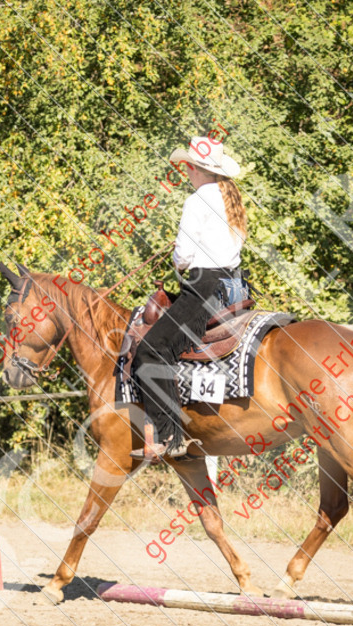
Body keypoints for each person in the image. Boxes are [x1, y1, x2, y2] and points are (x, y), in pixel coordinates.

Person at [131, 136, 247, 460]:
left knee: (150, 350)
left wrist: (179, 262)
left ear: (196, 169)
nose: (187, 172)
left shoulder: (196, 201)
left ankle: (168, 437)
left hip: (204, 286)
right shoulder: (230, 197)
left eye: (189, 167)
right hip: (234, 285)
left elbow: (183, 254)